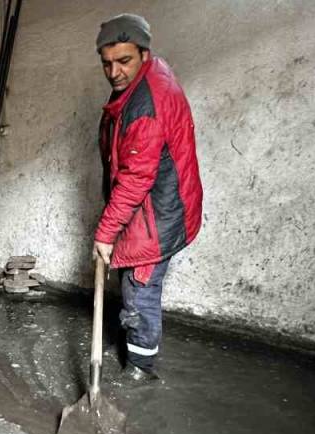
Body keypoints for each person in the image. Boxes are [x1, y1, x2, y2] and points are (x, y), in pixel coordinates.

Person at [92, 14, 203, 382]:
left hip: (159, 212)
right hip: (154, 206)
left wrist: (105, 233)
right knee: (133, 283)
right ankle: (135, 349)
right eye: (107, 63)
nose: (114, 72)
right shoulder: (141, 80)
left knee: (138, 291)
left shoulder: (147, 105)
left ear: (143, 53)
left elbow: (137, 179)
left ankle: (140, 370)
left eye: (124, 61)